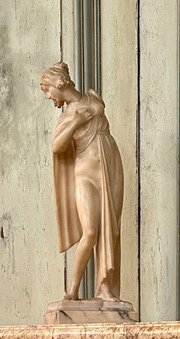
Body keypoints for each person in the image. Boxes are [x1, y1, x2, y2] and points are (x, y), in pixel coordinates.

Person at [40, 61, 124, 302]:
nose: (48, 97)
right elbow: (57, 147)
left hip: (109, 167)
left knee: (111, 228)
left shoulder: (92, 96)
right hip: (85, 174)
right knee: (90, 231)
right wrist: (76, 122)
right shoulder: (66, 117)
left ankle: (105, 288)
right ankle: (73, 291)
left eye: (48, 90)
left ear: (59, 83)